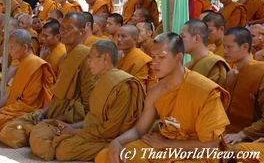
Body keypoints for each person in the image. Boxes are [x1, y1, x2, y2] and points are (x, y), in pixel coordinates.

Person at [95, 32, 230, 163]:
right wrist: (117, 142)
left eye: (161, 57)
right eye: (153, 57)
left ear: (179, 57)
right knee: (107, 156)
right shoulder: (156, 91)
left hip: (195, 153)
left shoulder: (204, 90)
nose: (155, 63)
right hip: (164, 147)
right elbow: (139, 130)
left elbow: (211, 145)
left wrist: (168, 144)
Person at [0, 13, 96, 159]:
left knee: (40, 141)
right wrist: (43, 113)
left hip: (73, 117)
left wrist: (60, 120)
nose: (63, 32)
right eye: (62, 28)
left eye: (69, 28)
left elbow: (88, 104)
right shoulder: (64, 58)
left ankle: (49, 136)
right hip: (54, 111)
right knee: (10, 129)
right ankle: (42, 132)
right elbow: (57, 94)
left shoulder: (88, 58)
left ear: (82, 31)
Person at [51, 40, 145, 161]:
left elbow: (111, 129)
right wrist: (72, 127)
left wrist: (75, 132)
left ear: (105, 59)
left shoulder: (122, 86)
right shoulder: (101, 80)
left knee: (64, 149)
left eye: (91, 58)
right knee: (56, 139)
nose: (88, 62)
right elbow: (93, 118)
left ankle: (117, 148)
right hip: (95, 133)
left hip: (112, 137)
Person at [0, 29, 55, 135]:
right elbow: (13, 93)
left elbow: (29, 103)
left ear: (25, 48)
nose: (9, 51)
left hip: (32, 109)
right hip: (18, 107)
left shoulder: (35, 65)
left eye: (12, 47)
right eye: (9, 47)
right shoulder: (22, 63)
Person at [222, 27, 264, 145]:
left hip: (252, 139)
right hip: (227, 134)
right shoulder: (231, 76)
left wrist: (242, 134)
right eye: (224, 47)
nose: (225, 51)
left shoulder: (261, 72)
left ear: (245, 47)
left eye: (229, 47)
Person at [182, 19, 229, 87]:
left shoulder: (214, 65)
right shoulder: (188, 65)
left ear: (196, 38)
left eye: (183, 36)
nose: (180, 40)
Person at [117, 25, 155, 90]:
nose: (119, 39)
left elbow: (139, 88)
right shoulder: (117, 55)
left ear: (135, 39)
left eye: (123, 36)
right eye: (118, 36)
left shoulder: (141, 59)